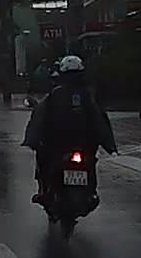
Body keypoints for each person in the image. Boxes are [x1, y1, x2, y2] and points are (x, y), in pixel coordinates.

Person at [22, 55, 118, 204]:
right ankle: (49, 190)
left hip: (67, 146)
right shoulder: (85, 95)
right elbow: (100, 120)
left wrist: (32, 140)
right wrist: (109, 145)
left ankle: (46, 191)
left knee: (44, 156)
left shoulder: (61, 95)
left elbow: (39, 118)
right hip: (73, 146)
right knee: (45, 156)